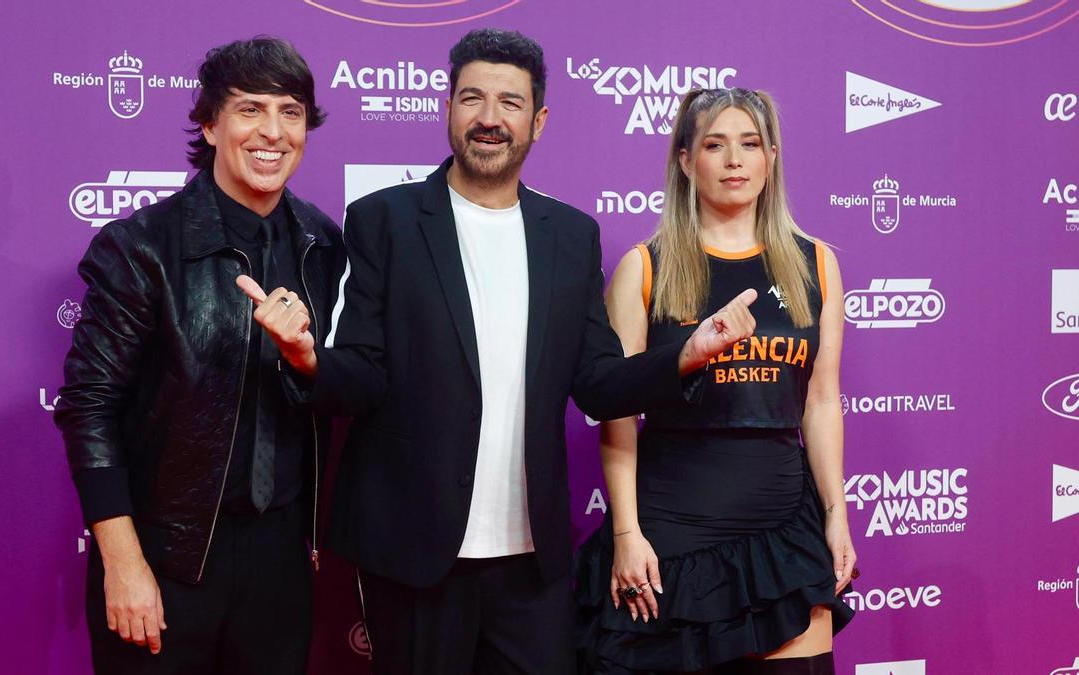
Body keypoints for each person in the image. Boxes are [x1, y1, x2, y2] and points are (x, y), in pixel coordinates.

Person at [237, 28, 760, 675]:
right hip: (415, 553)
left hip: (530, 561)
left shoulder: (570, 236)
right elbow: (362, 375)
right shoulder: (385, 221)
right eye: (472, 99)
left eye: (510, 103)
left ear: (537, 120)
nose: (490, 118)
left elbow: (597, 382)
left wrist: (685, 353)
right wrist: (306, 359)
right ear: (448, 108)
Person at [54, 37, 344, 674]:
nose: (272, 132)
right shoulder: (142, 247)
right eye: (249, 110)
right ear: (210, 124)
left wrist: (304, 359)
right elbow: (88, 410)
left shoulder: (325, 244)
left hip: (280, 558)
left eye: (291, 112)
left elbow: (344, 391)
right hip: (168, 552)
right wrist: (123, 565)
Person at [575, 88, 857, 674]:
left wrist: (836, 514)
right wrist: (627, 534)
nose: (735, 160)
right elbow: (616, 409)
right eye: (715, 144)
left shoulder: (816, 263)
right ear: (685, 160)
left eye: (750, 144)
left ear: (771, 157)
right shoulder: (645, 267)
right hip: (671, 536)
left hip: (785, 528)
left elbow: (822, 401)